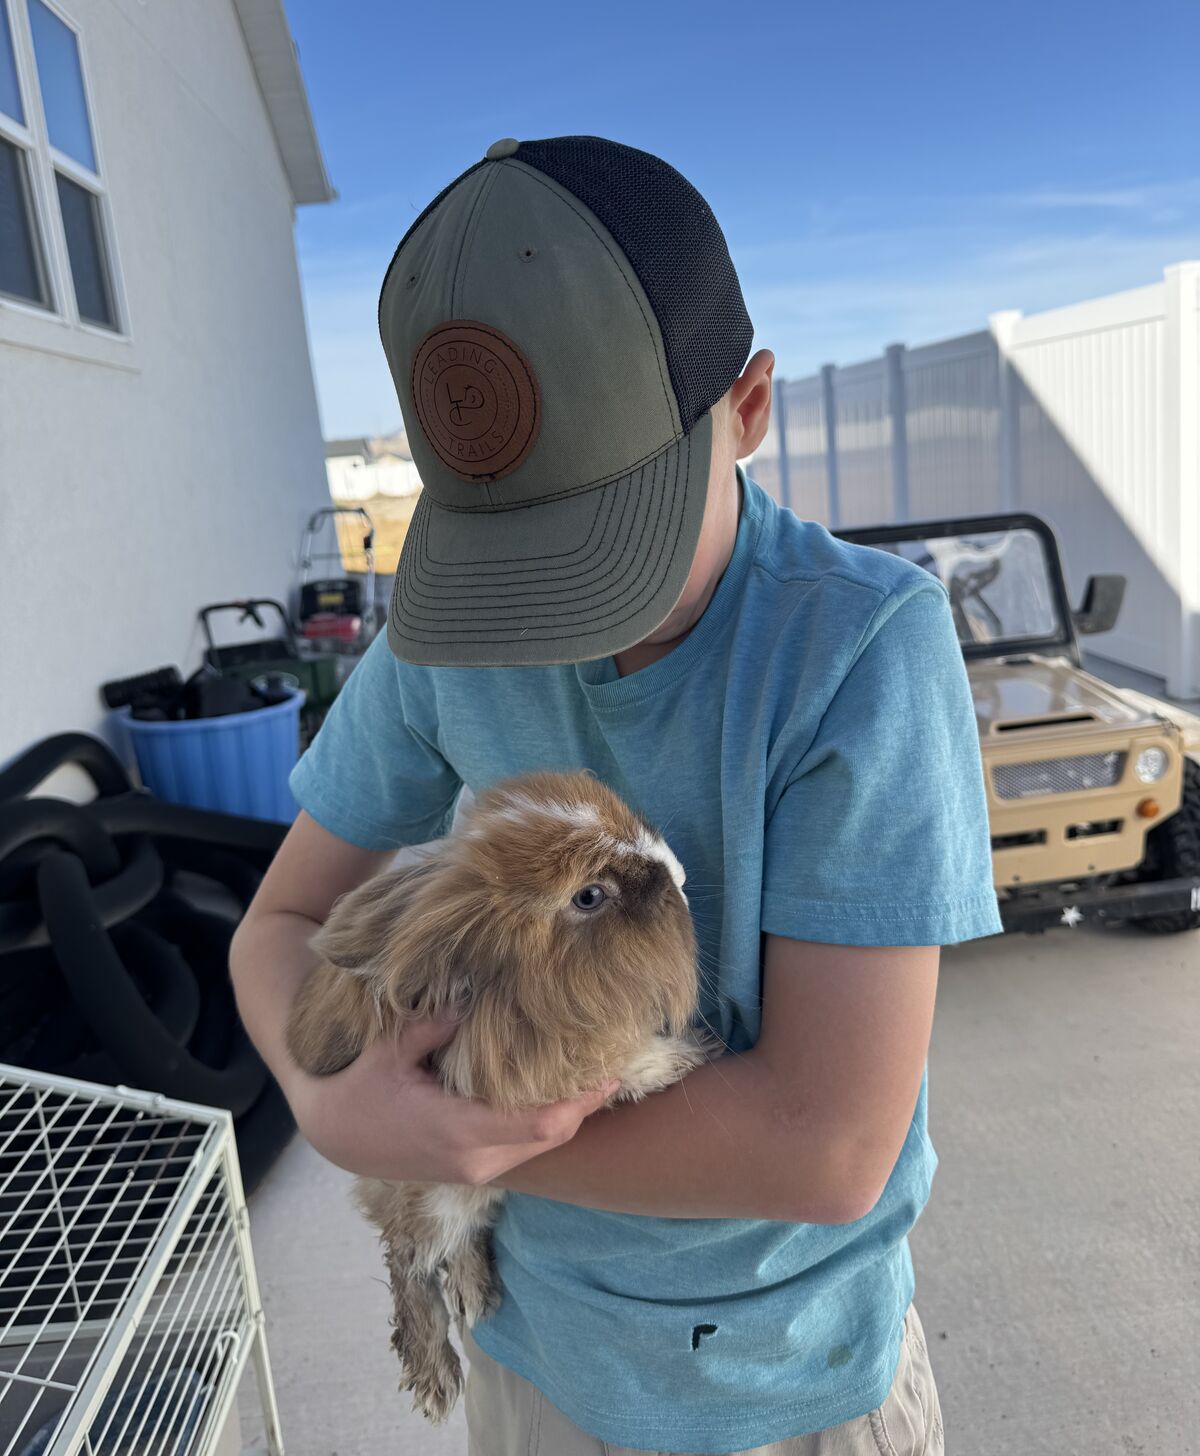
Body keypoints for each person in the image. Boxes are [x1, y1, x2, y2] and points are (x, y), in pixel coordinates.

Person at [229, 134, 1002, 1455]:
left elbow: (823, 1146)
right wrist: (329, 1098)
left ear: (748, 407)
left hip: (791, 1384)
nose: (552, 618)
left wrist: (463, 1140)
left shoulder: (858, 650)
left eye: (604, 532)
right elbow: (278, 926)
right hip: (534, 1355)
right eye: (509, 549)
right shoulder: (441, 644)